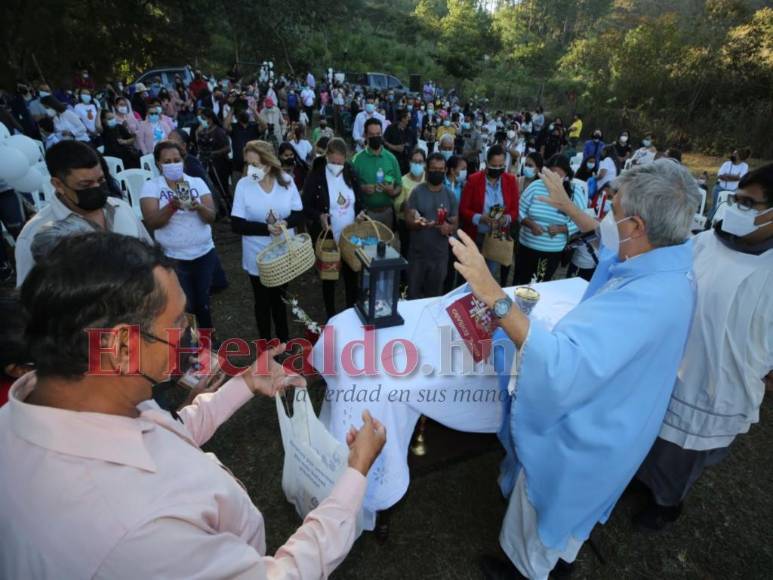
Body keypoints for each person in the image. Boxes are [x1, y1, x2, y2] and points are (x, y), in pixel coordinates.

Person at [0, 231, 387, 579]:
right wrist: (354, 475)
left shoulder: (72, 402)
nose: (192, 334)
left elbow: (165, 430)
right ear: (120, 348)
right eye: (178, 323)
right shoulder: (138, 530)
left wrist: (243, 384)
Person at [455, 160, 700, 580]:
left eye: (614, 213)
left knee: (542, 518)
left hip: (585, 436)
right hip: (622, 422)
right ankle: (557, 565)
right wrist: (569, 207)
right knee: (568, 525)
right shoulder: (670, 261)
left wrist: (493, 294)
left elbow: (559, 366)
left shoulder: (646, 301)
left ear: (637, 226)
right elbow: (611, 247)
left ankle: (524, 572)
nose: (607, 222)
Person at [634, 163, 773, 531]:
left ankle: (666, 504)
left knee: (683, 454)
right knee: (653, 434)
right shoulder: (707, 241)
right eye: (736, 199)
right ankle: (642, 479)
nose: (737, 208)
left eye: (749, 203)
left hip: (721, 380)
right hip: (671, 361)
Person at [15, 141, 151, 286]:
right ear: (58, 185)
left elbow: (149, 254)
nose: (97, 187)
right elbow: (28, 293)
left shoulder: (122, 208)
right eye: (85, 184)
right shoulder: (33, 233)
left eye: (101, 180)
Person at [231, 140, 304, 342]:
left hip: (282, 253)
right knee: (262, 302)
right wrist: (266, 229)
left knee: (280, 300)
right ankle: (266, 345)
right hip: (257, 256)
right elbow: (237, 224)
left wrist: (286, 223)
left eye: (255, 164)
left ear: (269, 163)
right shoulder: (244, 185)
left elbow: (299, 213)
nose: (250, 169)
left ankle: (284, 341)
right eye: (248, 164)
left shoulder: (286, 181)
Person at [140, 140, 217, 330]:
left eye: (176, 160)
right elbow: (152, 222)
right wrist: (172, 206)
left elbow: (211, 217)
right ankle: (189, 341)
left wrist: (199, 207)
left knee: (203, 302)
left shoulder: (197, 183)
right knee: (184, 305)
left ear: (183, 160)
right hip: (173, 257)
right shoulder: (151, 187)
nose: (172, 164)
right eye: (167, 161)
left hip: (203, 253)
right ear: (158, 164)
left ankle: (207, 340)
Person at [302, 137, 364, 318]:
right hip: (329, 238)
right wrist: (319, 216)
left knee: (352, 276)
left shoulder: (350, 172)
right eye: (333, 162)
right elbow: (305, 205)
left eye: (340, 163)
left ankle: (352, 312)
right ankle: (331, 315)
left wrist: (360, 213)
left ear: (345, 159)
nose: (336, 166)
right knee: (329, 278)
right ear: (326, 156)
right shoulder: (317, 174)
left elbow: (359, 199)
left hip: (350, 237)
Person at [514, 154, 587, 285]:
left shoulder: (575, 191)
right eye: (551, 174)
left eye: (558, 175)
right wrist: (530, 224)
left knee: (539, 285)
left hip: (552, 251)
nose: (553, 178)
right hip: (527, 247)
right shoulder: (536, 186)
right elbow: (519, 209)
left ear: (566, 174)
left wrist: (561, 228)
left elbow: (582, 219)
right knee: (520, 283)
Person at [459, 144, 520, 286]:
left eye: (501, 166)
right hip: (475, 235)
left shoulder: (510, 181)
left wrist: (505, 219)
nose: (497, 169)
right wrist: (480, 218)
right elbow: (463, 209)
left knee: (488, 275)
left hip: (495, 237)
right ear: (486, 163)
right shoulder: (474, 180)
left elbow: (514, 210)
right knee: (468, 275)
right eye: (494, 165)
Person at [405, 153, 458, 298]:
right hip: (418, 256)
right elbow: (408, 222)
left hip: (439, 257)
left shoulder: (450, 195)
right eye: (434, 169)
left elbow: (455, 223)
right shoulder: (417, 192)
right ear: (427, 170)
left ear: (445, 170)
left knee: (434, 297)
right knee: (413, 296)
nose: (437, 172)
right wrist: (420, 223)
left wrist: (448, 228)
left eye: (441, 169)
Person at [352, 118, 402, 227]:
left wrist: (392, 192)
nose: (375, 137)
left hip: (387, 213)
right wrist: (363, 188)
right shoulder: (357, 159)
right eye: (371, 134)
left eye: (378, 134)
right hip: (366, 214)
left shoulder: (391, 158)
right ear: (365, 135)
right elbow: (350, 186)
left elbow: (399, 185)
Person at [395, 147, 427, 262]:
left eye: (420, 162)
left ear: (424, 163)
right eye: (414, 161)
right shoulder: (402, 181)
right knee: (407, 253)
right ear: (409, 162)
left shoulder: (428, 180)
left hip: (425, 223)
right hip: (406, 224)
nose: (417, 164)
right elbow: (397, 207)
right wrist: (407, 203)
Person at [196, 108, 231, 209]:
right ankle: (218, 209)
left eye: (203, 118)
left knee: (223, 188)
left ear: (210, 119)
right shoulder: (202, 131)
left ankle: (229, 208)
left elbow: (228, 148)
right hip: (206, 163)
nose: (202, 121)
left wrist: (213, 153)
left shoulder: (219, 131)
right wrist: (198, 132)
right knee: (211, 188)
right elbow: (199, 145)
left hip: (220, 165)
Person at [226, 109, 263, 188]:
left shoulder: (254, 126)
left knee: (254, 187)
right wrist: (232, 109)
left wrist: (254, 110)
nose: (244, 112)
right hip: (237, 164)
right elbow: (225, 126)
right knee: (237, 187)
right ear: (237, 116)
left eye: (245, 111)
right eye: (241, 111)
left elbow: (264, 126)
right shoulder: (234, 126)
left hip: (253, 164)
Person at [384, 109, 414, 175]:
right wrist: (394, 147)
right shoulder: (391, 128)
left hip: (406, 164)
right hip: (393, 162)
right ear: (403, 118)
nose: (410, 119)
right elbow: (384, 141)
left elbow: (415, 144)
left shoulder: (410, 130)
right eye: (408, 117)